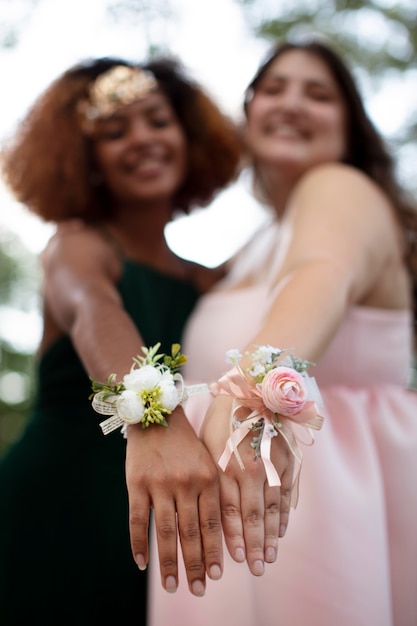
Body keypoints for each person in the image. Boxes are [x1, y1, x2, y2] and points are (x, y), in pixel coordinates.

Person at [147, 39, 417, 626]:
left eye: (317, 94)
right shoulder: (252, 245)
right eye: (273, 89)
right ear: (247, 116)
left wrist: (252, 386)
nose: (292, 103)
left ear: (350, 128)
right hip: (231, 509)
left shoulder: (340, 187)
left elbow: (322, 272)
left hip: (321, 506)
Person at [0, 55, 241, 625]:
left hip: (161, 524)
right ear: (87, 160)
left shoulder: (208, 279)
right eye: (115, 131)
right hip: (53, 505)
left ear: (188, 136)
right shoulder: (77, 246)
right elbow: (93, 311)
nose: (143, 140)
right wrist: (153, 417)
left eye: (158, 121)